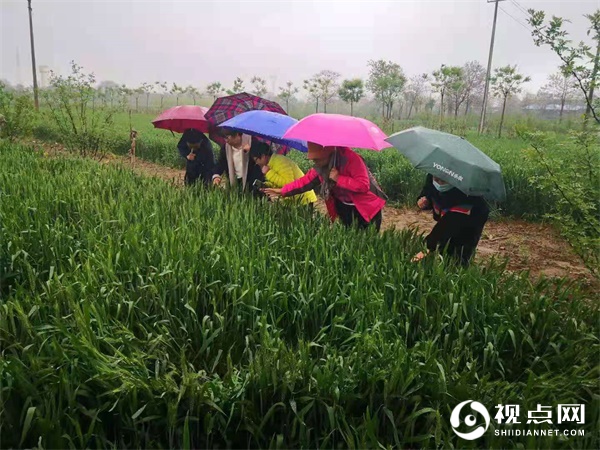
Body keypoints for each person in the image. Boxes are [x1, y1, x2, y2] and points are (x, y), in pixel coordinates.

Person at [263, 143, 386, 231]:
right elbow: (305, 182)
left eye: (317, 159)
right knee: (351, 240)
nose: (315, 162)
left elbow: (363, 185)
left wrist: (339, 178)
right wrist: (283, 191)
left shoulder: (351, 159)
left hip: (365, 209)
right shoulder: (321, 167)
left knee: (367, 243)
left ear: (328, 155)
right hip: (345, 207)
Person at [412, 173, 490, 267]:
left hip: (471, 219)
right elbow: (428, 190)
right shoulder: (434, 174)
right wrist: (424, 199)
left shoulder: (466, 194)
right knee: (444, 248)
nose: (439, 183)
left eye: (443, 181)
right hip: (449, 217)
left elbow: (445, 227)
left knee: (459, 253)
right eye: (436, 179)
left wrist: (425, 248)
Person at [249, 141, 317, 205]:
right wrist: (267, 185)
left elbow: (288, 183)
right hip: (294, 199)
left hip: (304, 199)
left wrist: (269, 173)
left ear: (263, 156)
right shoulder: (270, 164)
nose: (256, 163)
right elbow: (278, 183)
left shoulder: (280, 162)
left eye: (256, 160)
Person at [213, 130, 264, 194]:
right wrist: (216, 176)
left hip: (251, 181)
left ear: (237, 135)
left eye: (227, 137)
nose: (226, 140)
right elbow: (221, 163)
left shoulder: (252, 142)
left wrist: (251, 151)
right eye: (224, 138)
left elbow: (260, 160)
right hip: (235, 181)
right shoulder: (226, 148)